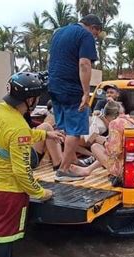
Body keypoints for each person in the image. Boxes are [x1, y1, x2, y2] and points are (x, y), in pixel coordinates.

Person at [0, 72, 64, 257]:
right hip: (6, 193)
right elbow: (22, 172)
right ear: (31, 99)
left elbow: (12, 136)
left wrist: (46, 135)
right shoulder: (18, 125)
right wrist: (40, 192)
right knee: (5, 239)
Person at [47, 14, 102, 182]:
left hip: (54, 86)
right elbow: (84, 64)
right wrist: (86, 92)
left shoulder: (59, 32)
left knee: (64, 127)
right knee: (76, 131)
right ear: (93, 28)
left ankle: (70, 162)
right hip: (71, 88)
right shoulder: (85, 35)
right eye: (96, 34)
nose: (94, 37)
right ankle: (64, 170)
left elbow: (51, 60)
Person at [71, 102, 134, 178]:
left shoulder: (114, 123)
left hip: (123, 168)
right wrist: (106, 140)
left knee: (95, 147)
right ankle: (88, 169)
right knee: (98, 146)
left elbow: (114, 151)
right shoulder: (130, 120)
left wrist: (103, 142)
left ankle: (89, 169)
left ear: (109, 116)